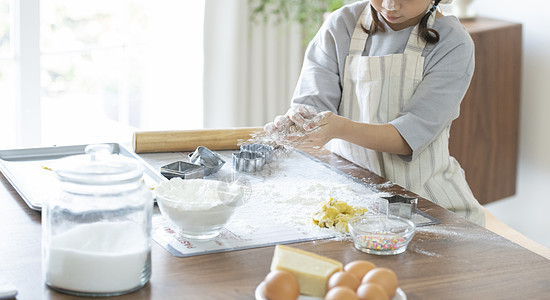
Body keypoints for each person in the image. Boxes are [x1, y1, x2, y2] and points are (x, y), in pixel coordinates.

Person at [264, 0, 485, 226]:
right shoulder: (341, 24)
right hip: (351, 195)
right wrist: (298, 124)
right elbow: (313, 106)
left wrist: (339, 128)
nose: (390, 5)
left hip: (426, 202)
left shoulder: (453, 43)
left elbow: (409, 136)